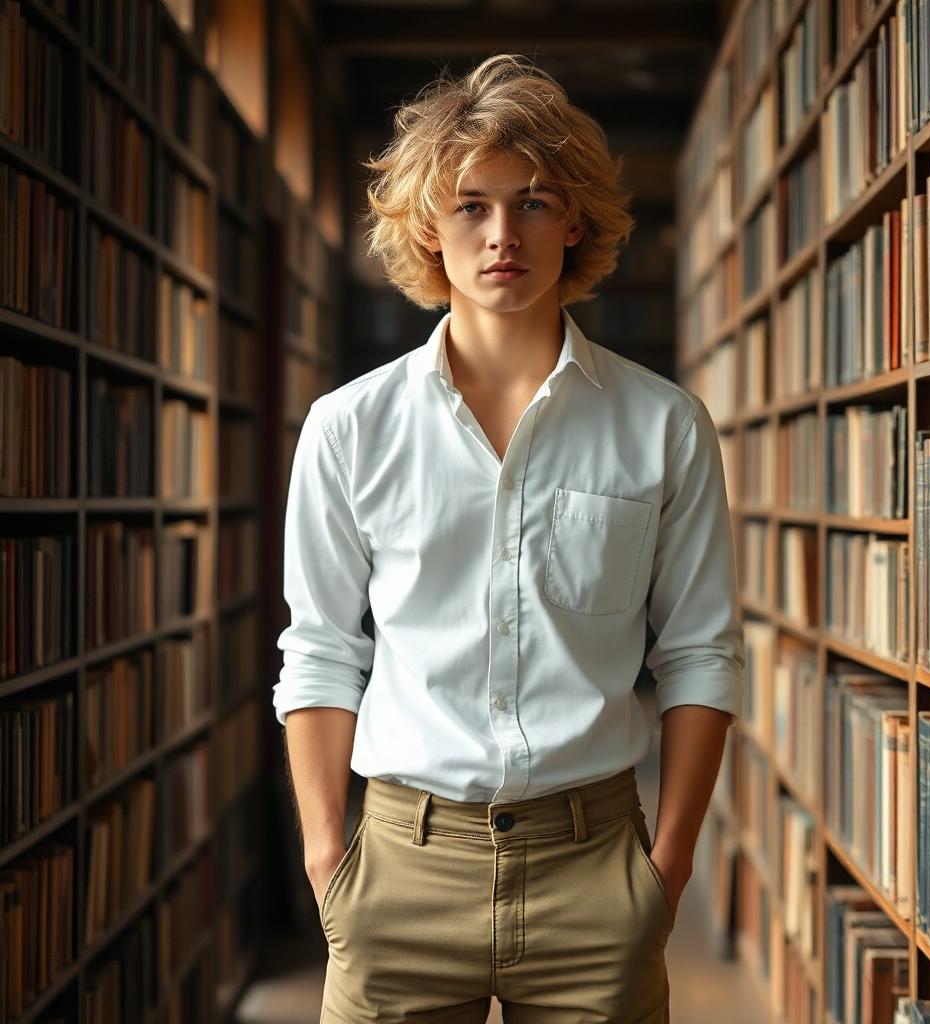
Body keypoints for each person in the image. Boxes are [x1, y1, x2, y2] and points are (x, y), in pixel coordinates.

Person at [273, 52, 745, 1023]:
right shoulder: (347, 428)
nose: (501, 235)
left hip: (595, 870)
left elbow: (700, 652)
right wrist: (332, 866)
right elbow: (320, 651)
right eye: (470, 206)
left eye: (531, 202)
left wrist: (664, 870)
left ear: (573, 221)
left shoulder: (662, 425)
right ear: (425, 230)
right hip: (400, 869)